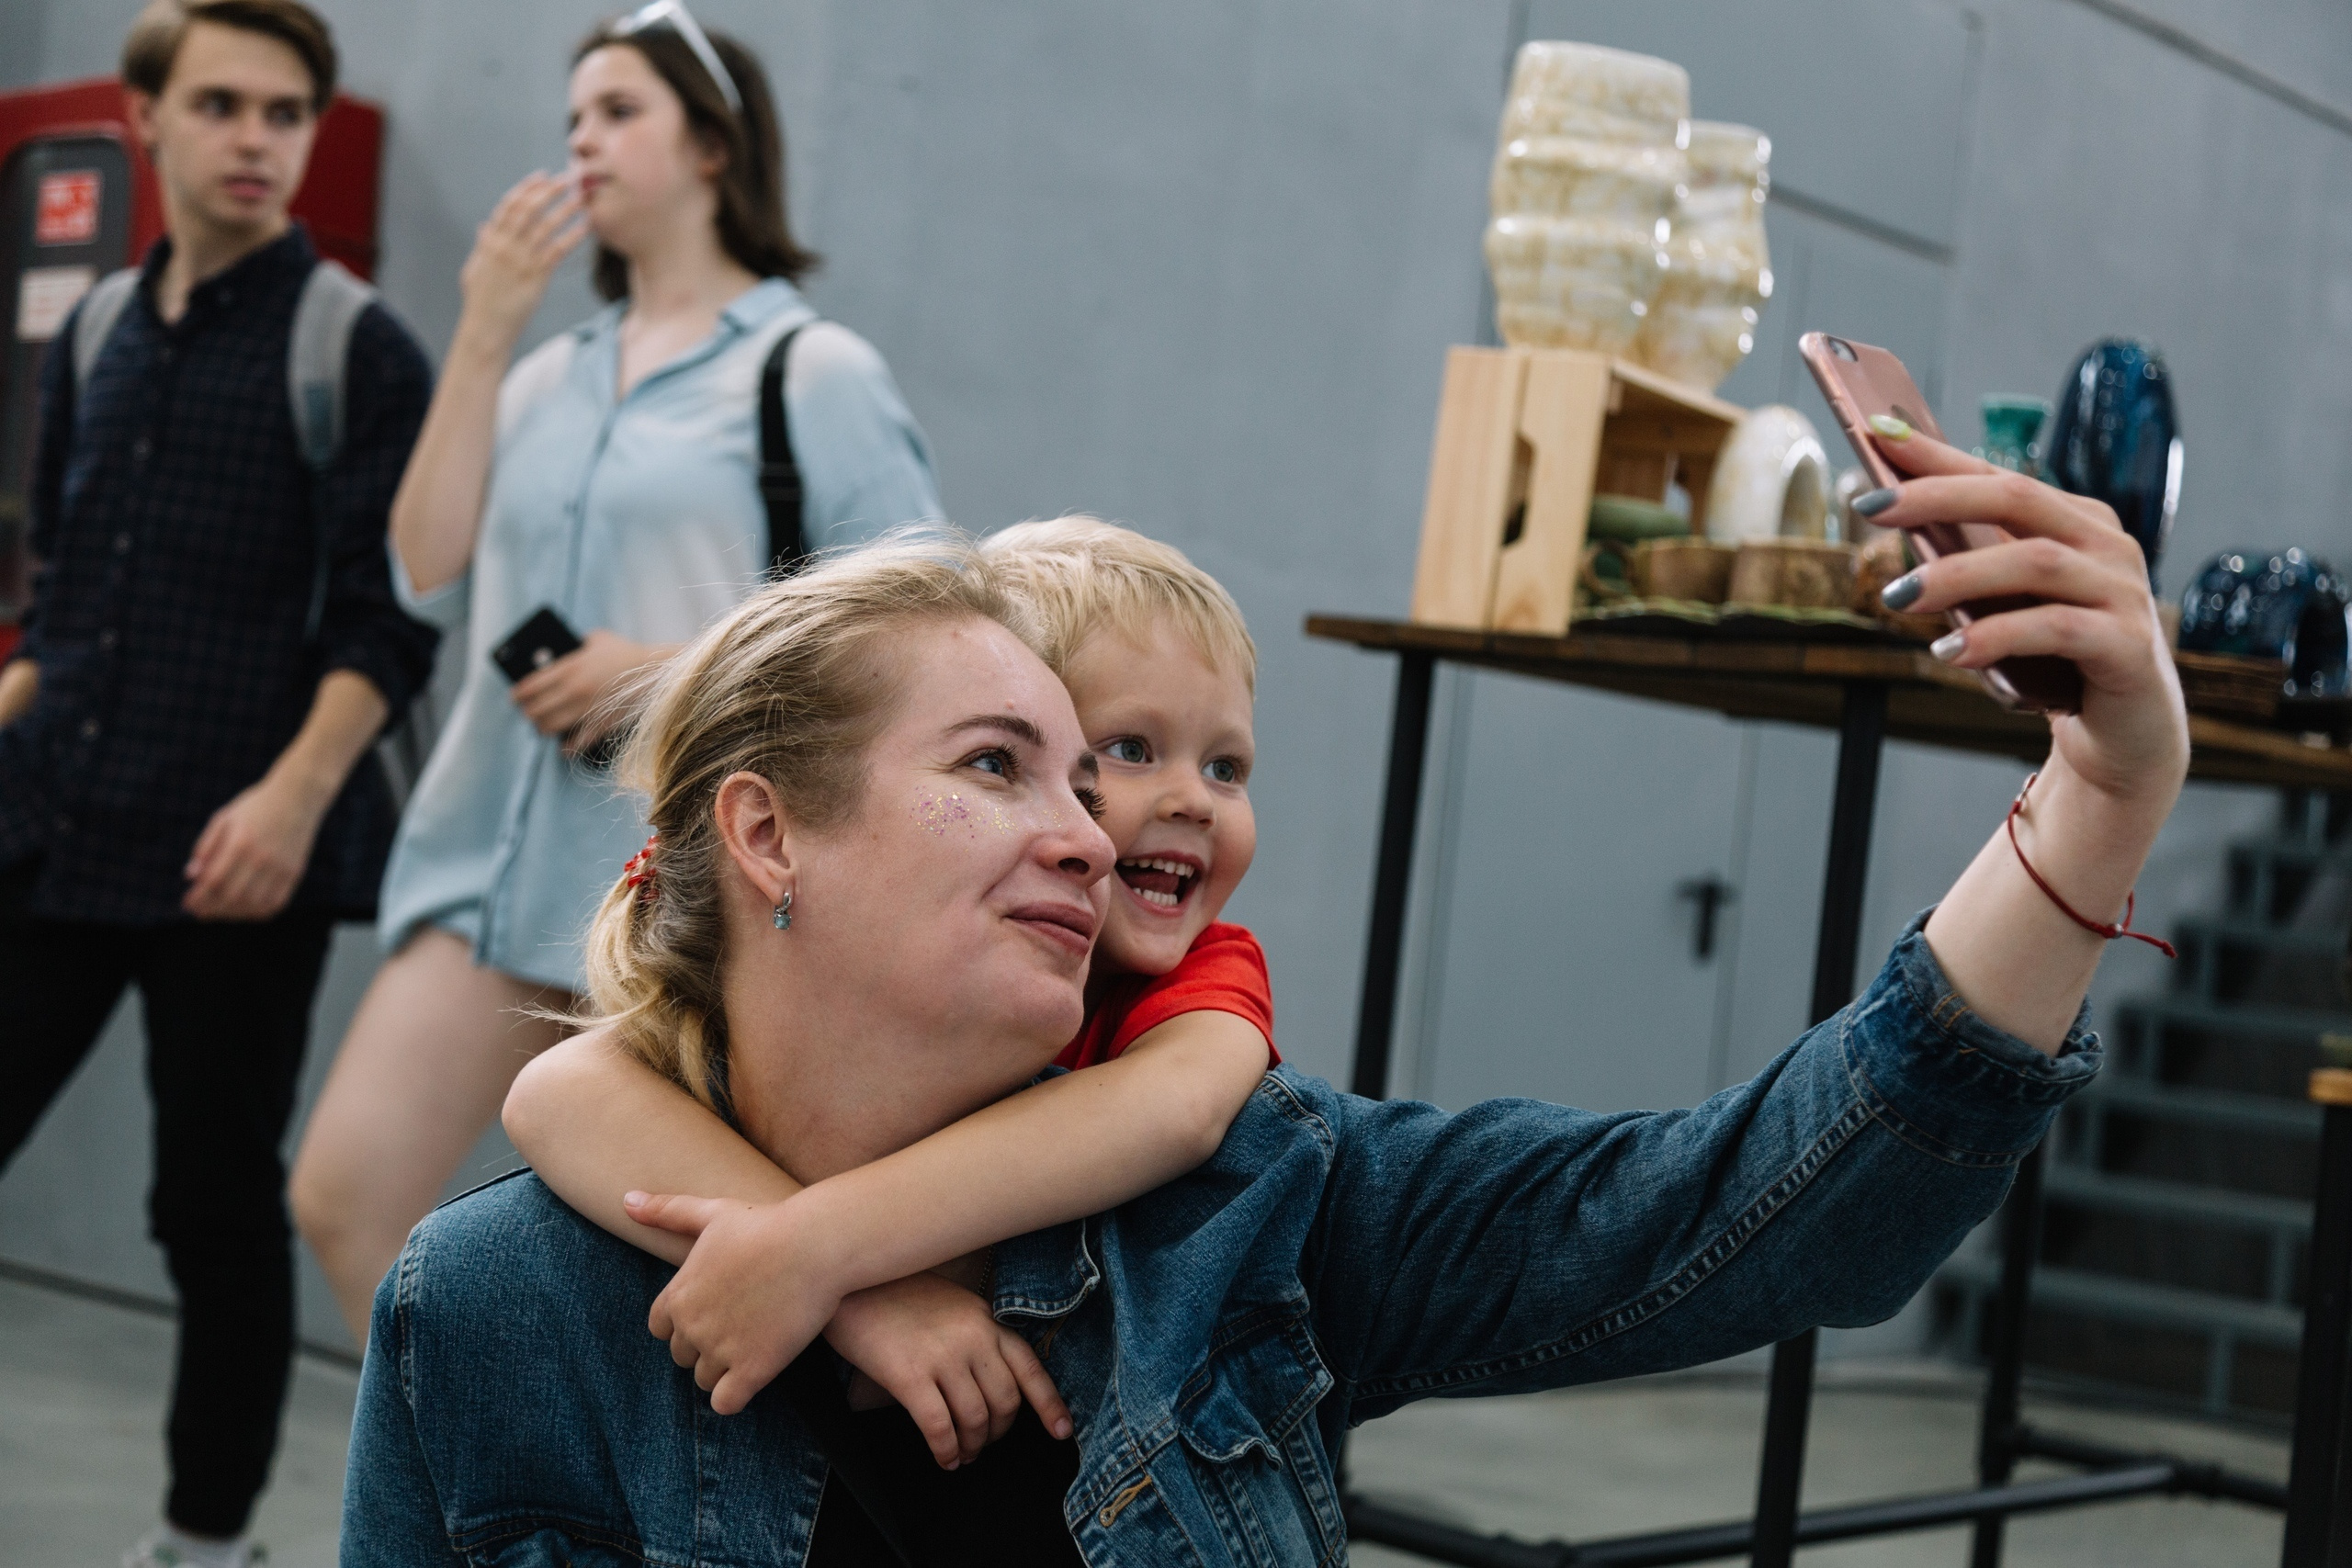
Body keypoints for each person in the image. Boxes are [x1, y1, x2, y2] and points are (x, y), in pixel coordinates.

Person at [342, 429, 2185, 1562]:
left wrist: (2097, 802)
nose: (1092, 830)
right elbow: (565, 1087)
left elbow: (1756, 1210)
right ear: (765, 835)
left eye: (1102, 775)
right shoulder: (499, 1303)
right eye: (1006, 763)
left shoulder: (1255, 1195)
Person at [288, 4, 943, 1343]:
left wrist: (667, 668)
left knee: (652, 1289)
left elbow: (922, 627)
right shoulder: (539, 376)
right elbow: (422, 568)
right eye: (572, 116)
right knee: (347, 1196)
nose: (581, 139)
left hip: (671, 893)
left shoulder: (808, 371)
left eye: (619, 111)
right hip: (484, 865)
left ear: (711, 145)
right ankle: (464, 1516)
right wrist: (482, 332)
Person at [501, 517, 1275, 1468]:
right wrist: (868, 1300)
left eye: (1226, 767)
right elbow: (556, 1092)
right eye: (1126, 751)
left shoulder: (1207, 971)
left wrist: (821, 1250)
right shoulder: (482, 1285)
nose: (1191, 799)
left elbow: (1177, 1109)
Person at [0, 4, 439, 1564]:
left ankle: (204, 1538)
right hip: (52, 817)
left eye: (287, 111)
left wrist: (292, 799)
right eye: (226, 105)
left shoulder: (356, 347)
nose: (259, 139)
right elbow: (61, 584)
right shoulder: (102, 327)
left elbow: (388, 621)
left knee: (211, 1208)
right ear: (148, 121)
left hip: (236, 855)